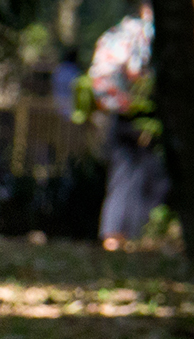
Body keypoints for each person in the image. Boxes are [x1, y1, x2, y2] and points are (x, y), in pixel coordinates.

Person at [90, 2, 170, 251]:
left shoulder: (117, 32)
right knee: (153, 176)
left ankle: (114, 237)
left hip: (117, 112)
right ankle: (139, 237)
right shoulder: (148, 34)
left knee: (124, 177)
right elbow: (137, 70)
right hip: (141, 113)